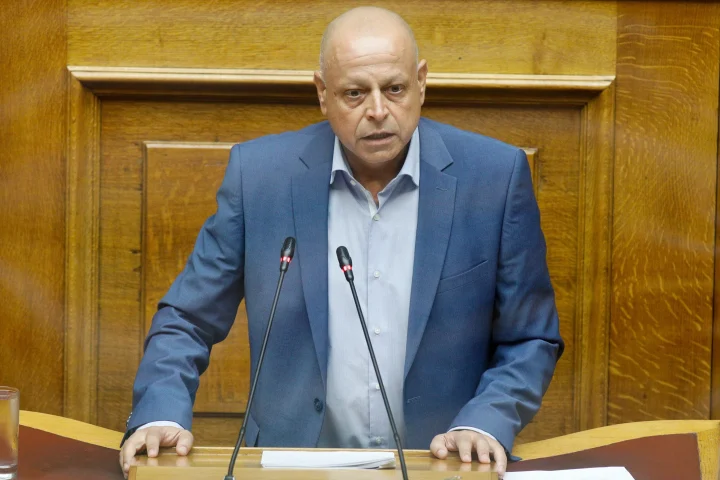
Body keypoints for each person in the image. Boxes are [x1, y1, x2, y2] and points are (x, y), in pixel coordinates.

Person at [119, 6, 563, 478]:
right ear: (322, 94)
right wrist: (160, 412)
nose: (378, 111)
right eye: (355, 93)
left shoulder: (493, 178)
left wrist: (485, 422)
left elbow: (530, 337)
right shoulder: (261, 178)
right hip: (292, 468)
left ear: (421, 82)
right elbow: (187, 319)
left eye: (395, 89)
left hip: (439, 466)